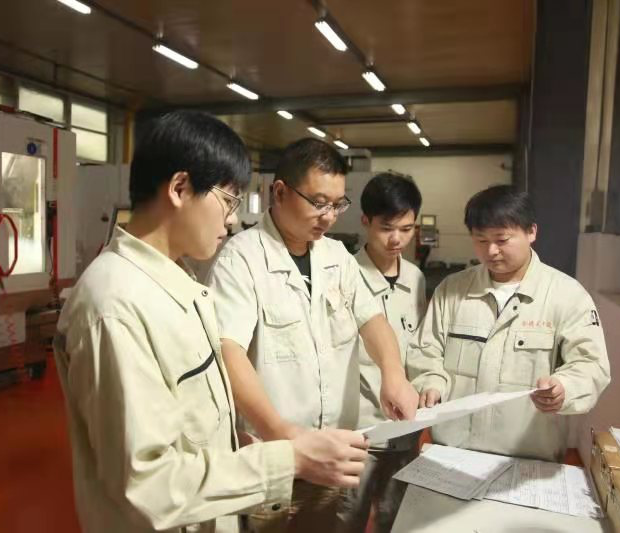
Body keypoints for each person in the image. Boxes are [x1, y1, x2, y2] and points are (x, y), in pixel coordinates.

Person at [53, 111, 369, 533]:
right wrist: (288, 458)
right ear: (180, 188)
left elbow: (192, 425)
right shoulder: (116, 305)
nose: (233, 219)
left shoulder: (178, 282)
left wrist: (235, 446)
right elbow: (148, 485)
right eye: (228, 200)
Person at [207, 138, 419, 532]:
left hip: (332, 452)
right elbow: (228, 350)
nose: (329, 217)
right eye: (319, 203)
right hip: (275, 458)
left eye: (337, 205)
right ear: (280, 192)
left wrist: (393, 374)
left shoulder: (336, 257)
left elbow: (372, 320)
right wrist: (283, 436)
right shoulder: (242, 258)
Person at [408, 185, 611, 462]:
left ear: (531, 232)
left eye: (502, 240)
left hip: (529, 459)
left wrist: (564, 388)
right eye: (481, 240)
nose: (491, 251)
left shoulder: (566, 295)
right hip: (453, 452)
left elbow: (591, 365)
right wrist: (431, 382)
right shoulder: (452, 290)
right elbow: (425, 350)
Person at [338, 173, 427, 533]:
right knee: (347, 519)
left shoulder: (416, 278)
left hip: (405, 428)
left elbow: (419, 348)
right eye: (386, 228)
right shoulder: (344, 275)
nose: (396, 240)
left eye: (406, 229)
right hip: (359, 431)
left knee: (396, 518)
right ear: (366, 221)